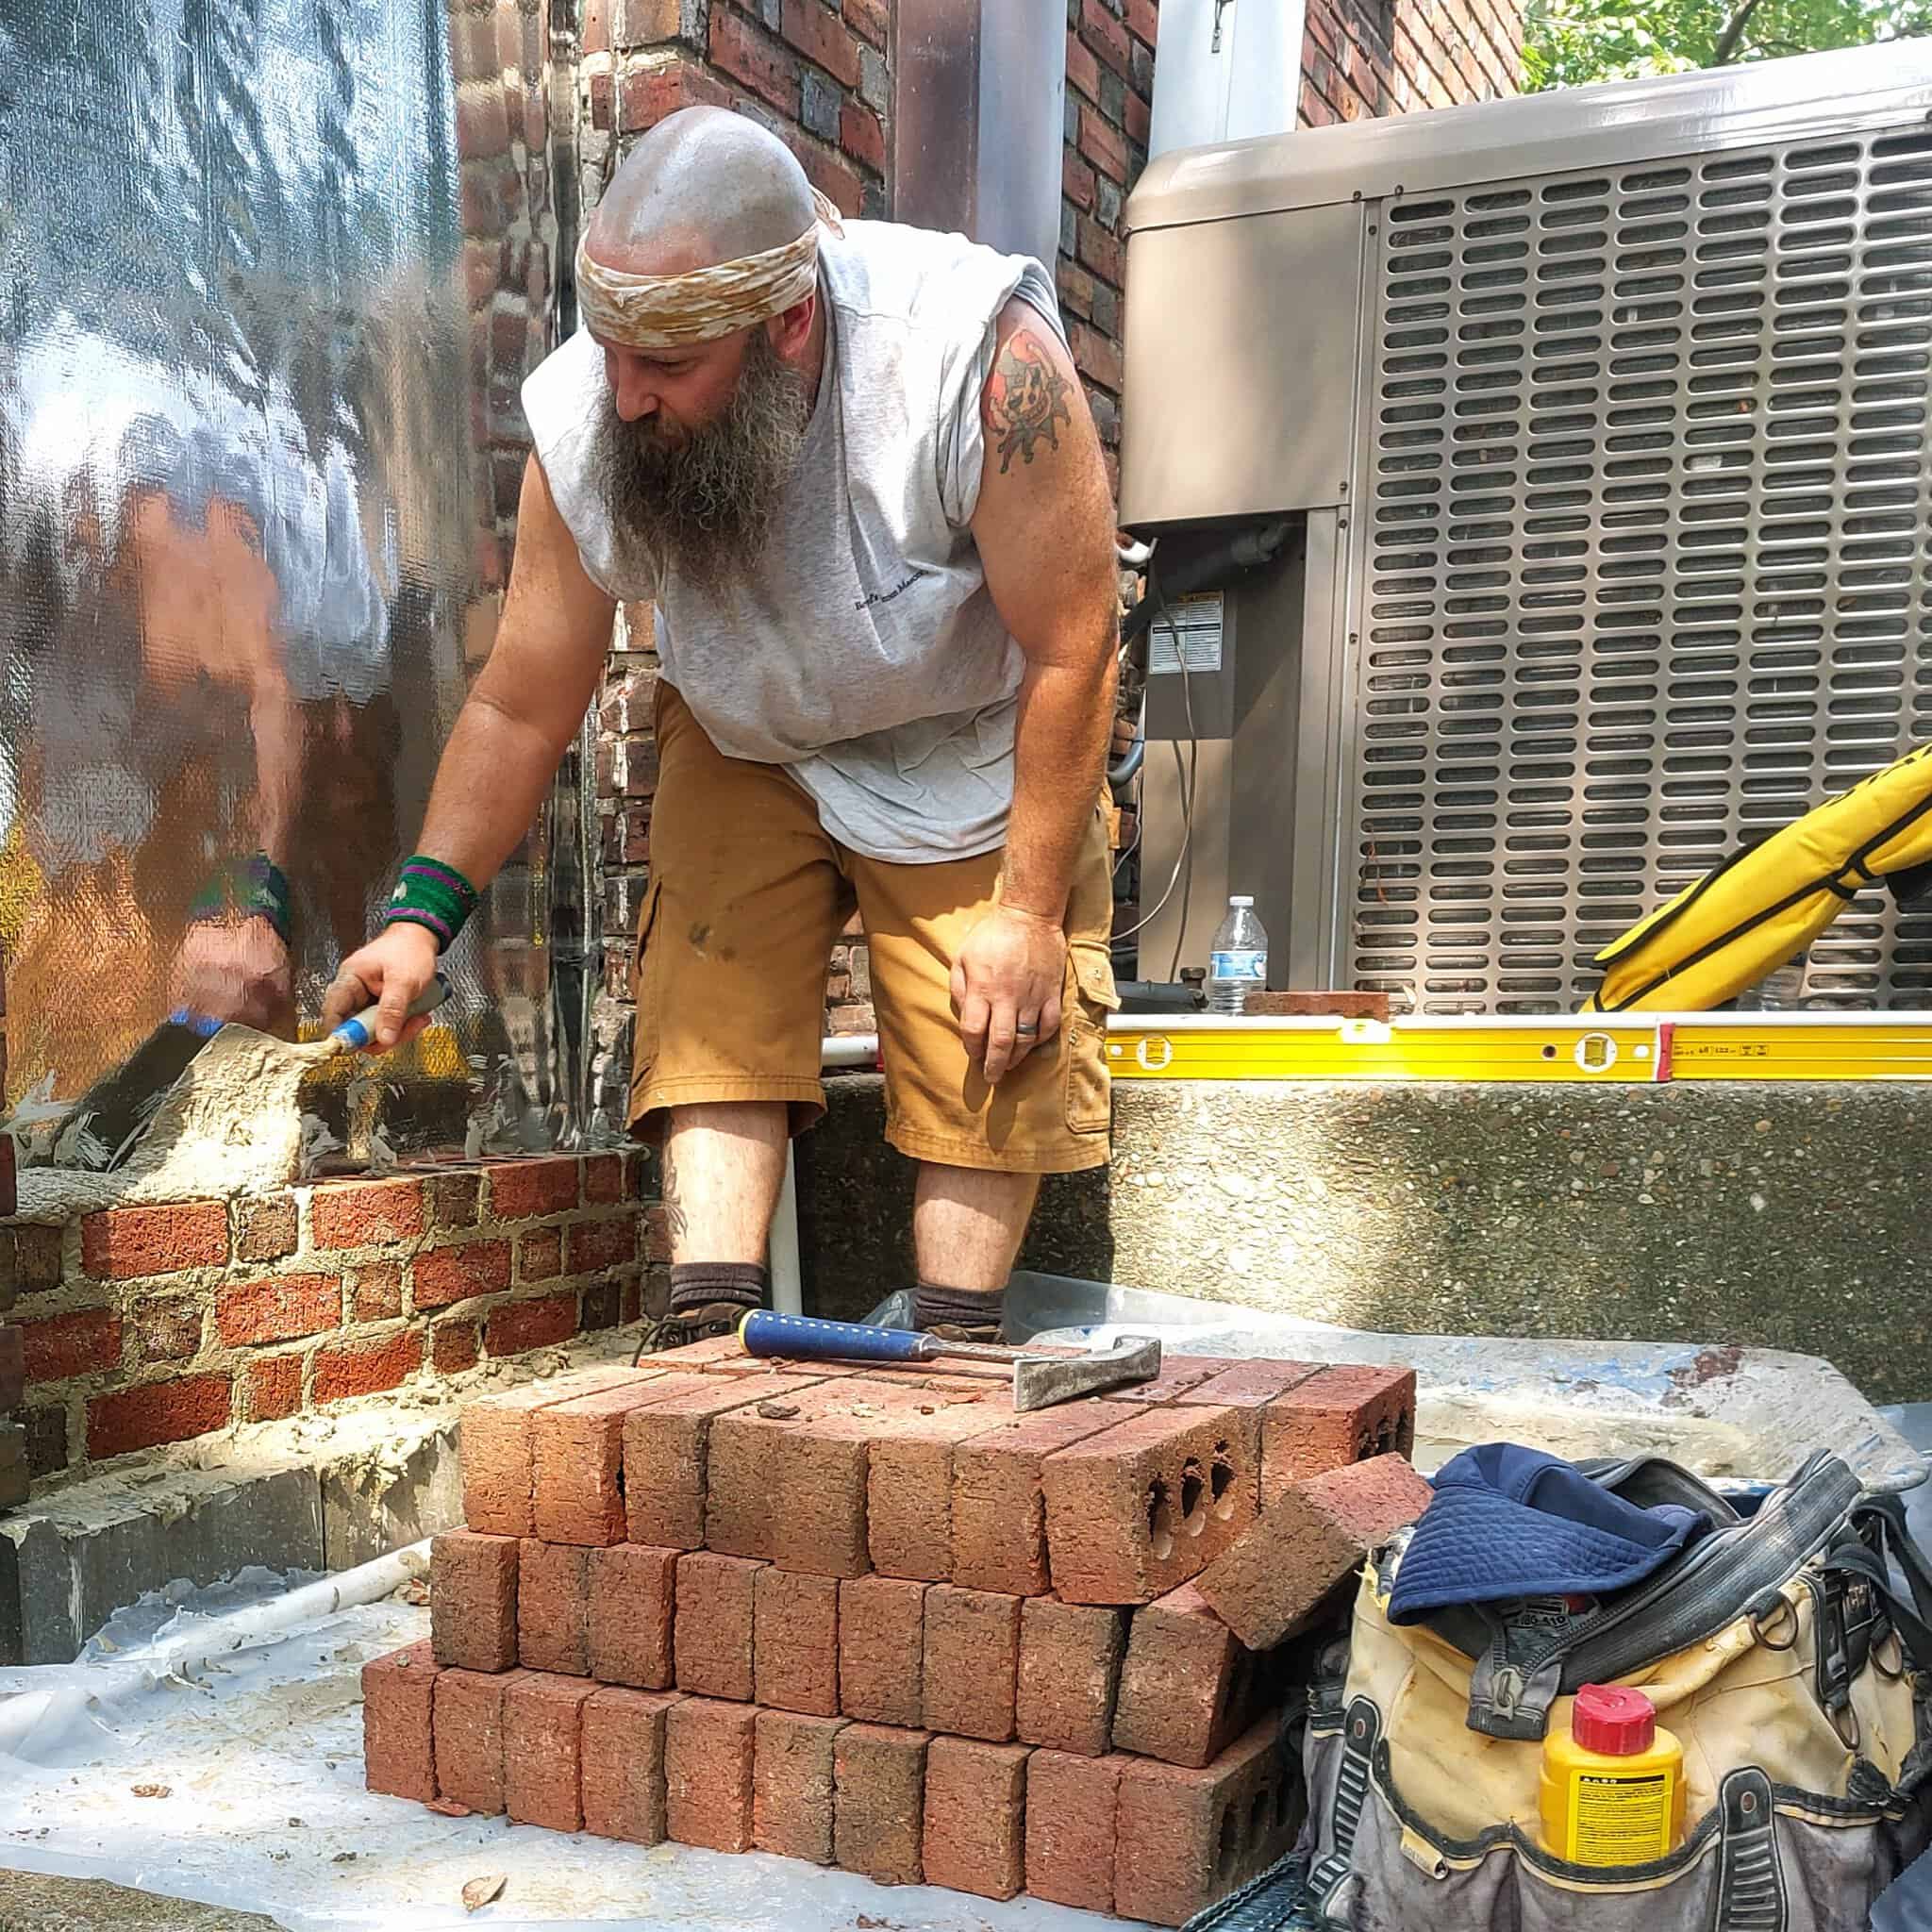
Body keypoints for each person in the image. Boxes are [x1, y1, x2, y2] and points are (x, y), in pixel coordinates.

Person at [325, 107, 1121, 1346]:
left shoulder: (977, 360)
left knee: (993, 1035)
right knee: (706, 996)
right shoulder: (593, 420)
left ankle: (958, 1352)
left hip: (968, 732)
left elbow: (1074, 646)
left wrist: (1026, 912)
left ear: (787, 321)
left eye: (671, 365)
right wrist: (420, 922)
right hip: (752, 733)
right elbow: (523, 695)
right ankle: (709, 1348)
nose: (628, 398)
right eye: (612, 352)